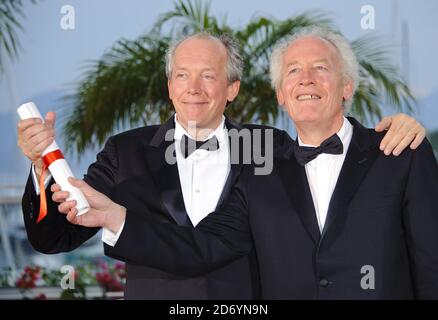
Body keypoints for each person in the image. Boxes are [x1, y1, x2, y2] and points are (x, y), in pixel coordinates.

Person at [18, 31, 427, 300]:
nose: (193, 88)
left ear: (232, 88)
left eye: (208, 76)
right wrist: (41, 169)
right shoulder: (125, 152)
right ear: (169, 85)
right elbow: (56, 237)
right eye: (182, 75)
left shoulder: (271, 147)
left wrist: (403, 126)